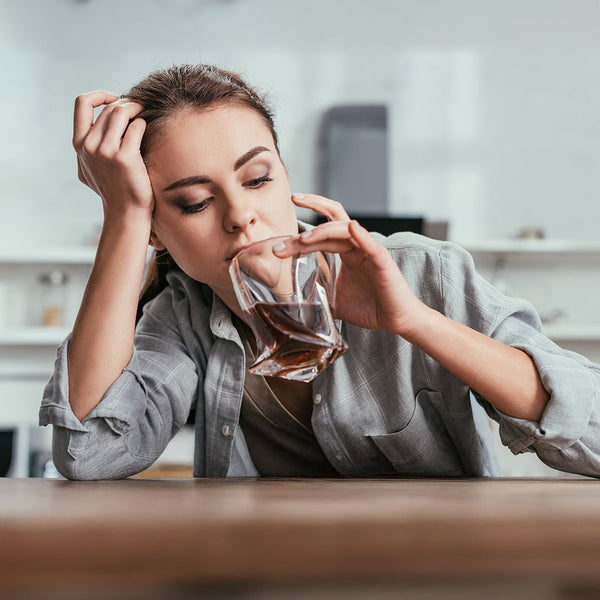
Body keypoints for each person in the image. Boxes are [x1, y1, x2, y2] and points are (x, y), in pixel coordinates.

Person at [40, 64, 600, 480]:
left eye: (257, 179)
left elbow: (592, 432)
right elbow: (89, 456)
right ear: (157, 233)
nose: (241, 216)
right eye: (194, 203)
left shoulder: (420, 271)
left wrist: (413, 320)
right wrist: (124, 215)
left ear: (287, 178)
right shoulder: (184, 318)